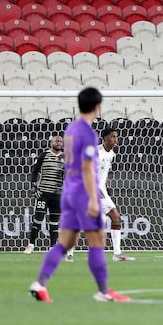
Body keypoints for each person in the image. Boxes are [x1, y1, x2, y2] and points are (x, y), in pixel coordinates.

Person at [29, 87, 130, 302]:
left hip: (69, 191)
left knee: (65, 242)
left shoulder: (72, 129)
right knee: (96, 240)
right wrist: (94, 198)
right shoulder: (87, 133)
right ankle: (104, 292)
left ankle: (39, 284)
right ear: (97, 106)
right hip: (84, 193)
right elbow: (87, 168)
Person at [97, 128, 134, 261]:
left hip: (102, 192)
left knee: (116, 218)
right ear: (105, 138)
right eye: (113, 137)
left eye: (116, 137)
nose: (116, 139)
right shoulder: (97, 153)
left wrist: (105, 183)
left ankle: (117, 254)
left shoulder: (111, 154)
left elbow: (103, 171)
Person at [24, 136, 65, 256]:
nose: (59, 143)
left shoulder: (65, 157)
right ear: (51, 143)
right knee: (38, 219)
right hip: (44, 193)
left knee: (54, 222)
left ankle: (53, 247)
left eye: (61, 141)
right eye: (57, 141)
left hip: (57, 194)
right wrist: (34, 187)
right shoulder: (44, 155)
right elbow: (35, 171)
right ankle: (31, 245)